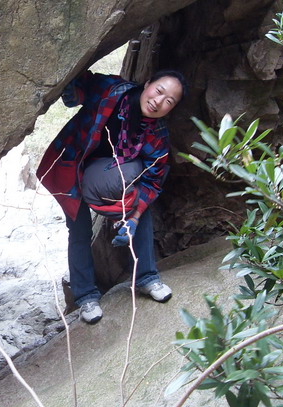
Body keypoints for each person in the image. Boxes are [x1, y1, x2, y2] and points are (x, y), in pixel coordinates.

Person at [36, 69, 188, 324]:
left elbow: (153, 179)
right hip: (72, 165)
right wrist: (71, 91)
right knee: (79, 229)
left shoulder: (156, 133)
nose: (159, 102)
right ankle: (85, 297)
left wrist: (135, 218)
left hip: (107, 177)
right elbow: (81, 80)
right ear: (147, 83)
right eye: (159, 91)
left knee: (141, 204)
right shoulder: (113, 91)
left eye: (169, 101)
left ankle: (146, 277)